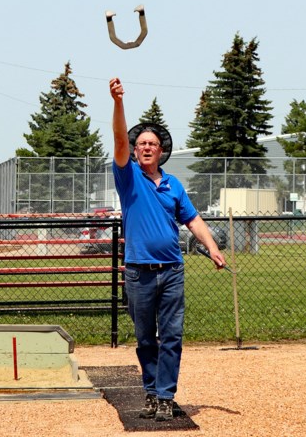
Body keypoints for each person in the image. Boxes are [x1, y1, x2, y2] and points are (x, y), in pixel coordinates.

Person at [109, 77, 227, 422]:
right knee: (146, 338)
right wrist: (118, 102)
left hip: (172, 271)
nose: (146, 147)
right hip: (138, 272)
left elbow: (193, 220)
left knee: (172, 336)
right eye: (141, 143)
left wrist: (213, 248)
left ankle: (165, 395)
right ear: (134, 150)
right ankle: (150, 390)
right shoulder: (127, 176)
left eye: (153, 144)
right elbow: (118, 137)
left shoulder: (174, 185)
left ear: (161, 151)